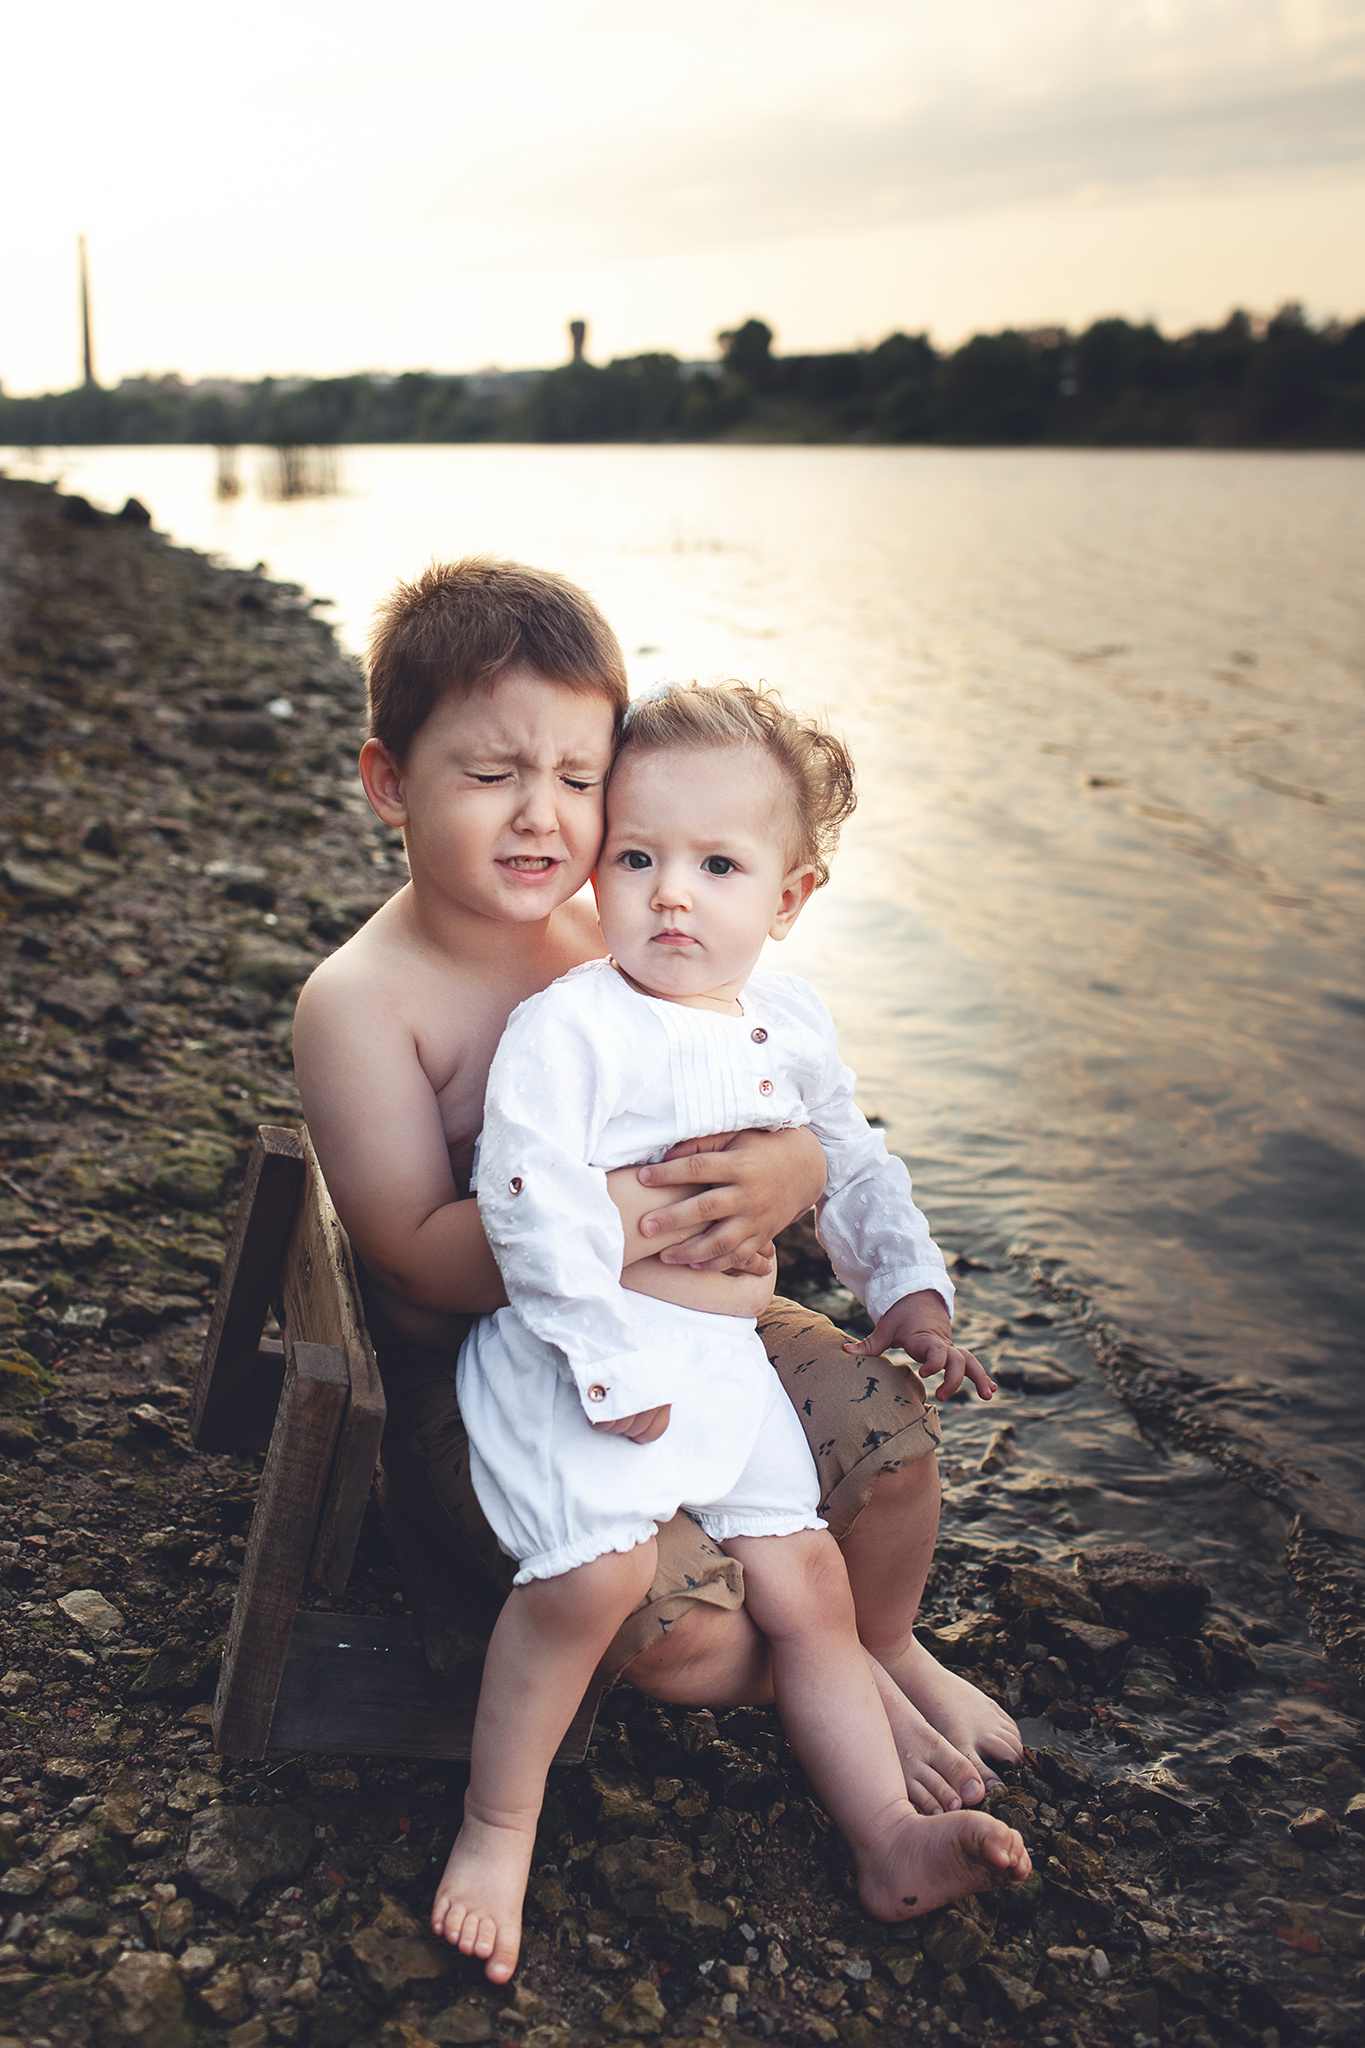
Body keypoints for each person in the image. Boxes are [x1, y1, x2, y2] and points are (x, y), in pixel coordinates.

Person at [291, 559, 1021, 1855]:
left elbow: (771, 1084)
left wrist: (795, 1168)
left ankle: (882, 1649)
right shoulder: (363, 1002)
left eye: (579, 780)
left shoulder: (617, 924)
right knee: (697, 1640)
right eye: (490, 774)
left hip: (698, 1325)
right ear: (388, 783)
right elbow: (406, 1261)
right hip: (495, 1378)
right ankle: (830, 1673)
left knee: (896, 1442)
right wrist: (630, 1212)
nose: (542, 819)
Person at [429, 682, 1030, 1979]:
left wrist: (907, 1292)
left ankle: (883, 1835)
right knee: (588, 1579)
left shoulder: (788, 1022)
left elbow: (855, 1164)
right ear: (596, 871)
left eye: (716, 864)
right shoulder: (572, 1026)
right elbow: (526, 1201)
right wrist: (600, 1356)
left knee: (808, 1585)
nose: (671, 896)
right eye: (636, 858)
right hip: (573, 1355)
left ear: (791, 896)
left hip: (722, 1365)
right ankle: (497, 1822)